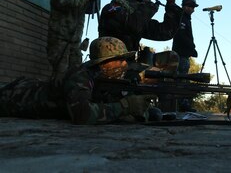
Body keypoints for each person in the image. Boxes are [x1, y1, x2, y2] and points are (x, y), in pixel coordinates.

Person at [0, 37, 159, 124]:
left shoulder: (104, 80)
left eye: (126, 59)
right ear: (102, 62)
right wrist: (125, 106)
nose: (125, 64)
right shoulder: (81, 75)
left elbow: (105, 106)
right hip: (13, 97)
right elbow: (82, 114)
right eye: (119, 59)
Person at [47, 0, 93, 86]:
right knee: (60, 76)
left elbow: (89, 10)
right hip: (60, 42)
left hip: (74, 44)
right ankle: (53, 102)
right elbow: (65, 3)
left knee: (75, 75)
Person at [172, 0, 198, 74]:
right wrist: (192, 46)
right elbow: (181, 35)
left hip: (183, 55)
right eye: (192, 7)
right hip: (180, 55)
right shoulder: (182, 18)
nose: (193, 10)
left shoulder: (186, 19)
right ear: (185, 7)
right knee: (181, 78)